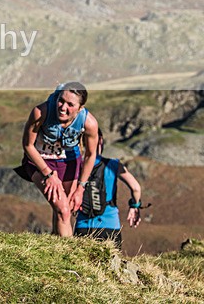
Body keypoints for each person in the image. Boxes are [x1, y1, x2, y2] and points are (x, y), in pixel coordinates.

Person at [16, 82, 100, 236]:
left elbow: (90, 155)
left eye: (70, 104)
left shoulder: (89, 123)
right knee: (63, 210)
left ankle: (55, 250)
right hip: (39, 160)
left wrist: (81, 188)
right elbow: (27, 145)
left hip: (69, 162)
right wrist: (48, 174)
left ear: (80, 108)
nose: (62, 107)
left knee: (63, 211)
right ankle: (69, 257)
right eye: (61, 100)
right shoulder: (41, 112)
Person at [74, 133, 144, 248]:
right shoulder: (113, 165)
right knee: (111, 264)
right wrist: (134, 206)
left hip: (83, 226)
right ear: (100, 141)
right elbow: (136, 188)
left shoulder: (77, 165)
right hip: (109, 226)